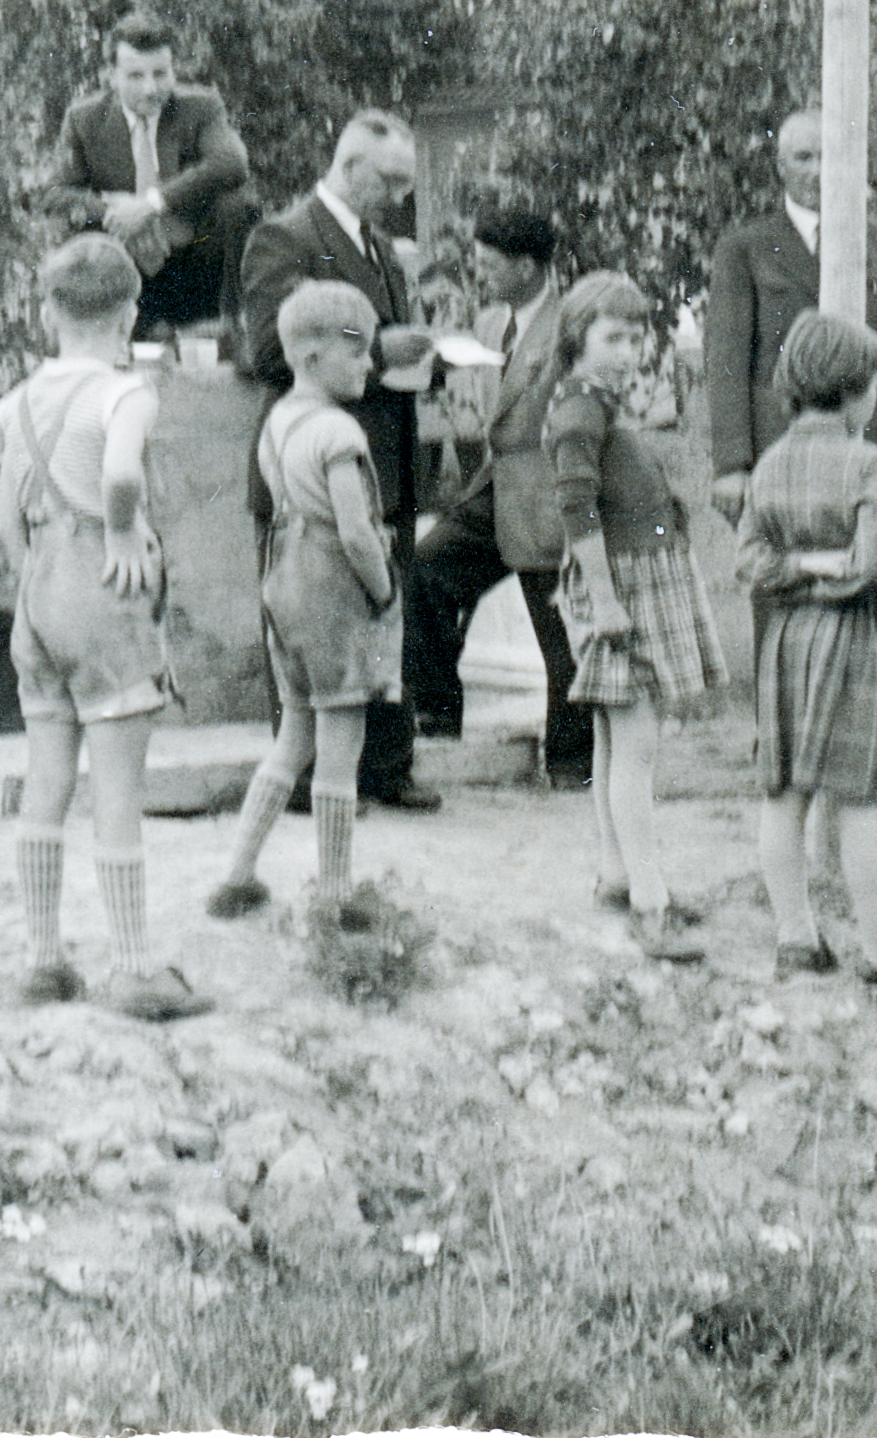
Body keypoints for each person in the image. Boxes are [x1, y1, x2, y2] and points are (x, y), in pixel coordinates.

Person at [0, 234, 209, 1018]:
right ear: (129, 315)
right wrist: (119, 534)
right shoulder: (126, 393)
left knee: (46, 779)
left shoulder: (16, 402)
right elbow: (120, 473)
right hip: (101, 592)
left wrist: (37, 583)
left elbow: (6, 518)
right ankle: (132, 969)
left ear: (48, 312)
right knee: (117, 788)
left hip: (38, 594)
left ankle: (42, 961)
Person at [238, 110, 439, 809]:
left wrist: (426, 357)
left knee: (386, 619)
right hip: (314, 475)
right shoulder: (286, 237)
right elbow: (271, 350)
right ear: (349, 168)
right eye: (390, 182)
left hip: (386, 464)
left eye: (407, 184)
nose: (400, 197)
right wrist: (381, 350)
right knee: (313, 624)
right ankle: (306, 781)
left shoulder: (381, 247)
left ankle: (385, 768)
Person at [735, 312, 877, 982]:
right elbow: (869, 564)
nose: (874, 400)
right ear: (849, 392)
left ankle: (796, 938)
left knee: (783, 794)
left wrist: (796, 570)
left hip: (789, 642)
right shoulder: (868, 463)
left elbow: (750, 561)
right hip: (857, 642)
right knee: (860, 799)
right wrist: (829, 571)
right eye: (872, 388)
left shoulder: (769, 464)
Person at [546, 272, 727, 963]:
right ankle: (651, 904)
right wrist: (606, 601)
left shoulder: (596, 404)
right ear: (576, 338)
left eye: (635, 338)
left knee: (612, 737)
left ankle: (617, 873)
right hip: (623, 587)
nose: (627, 351)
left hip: (638, 578)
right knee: (637, 746)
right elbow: (576, 510)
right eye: (612, 338)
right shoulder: (579, 413)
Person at [208, 281, 403, 920]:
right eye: (358, 351)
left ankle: (238, 873)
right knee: (340, 749)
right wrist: (383, 591)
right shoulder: (337, 429)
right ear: (314, 356)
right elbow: (355, 532)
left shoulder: (278, 422)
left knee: (292, 739)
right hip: (333, 591)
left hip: (284, 584)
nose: (369, 364)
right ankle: (335, 893)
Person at [403, 209, 592, 787]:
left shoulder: (574, 323)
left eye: (489, 265)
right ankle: (436, 716)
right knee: (427, 567)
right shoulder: (489, 324)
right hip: (496, 486)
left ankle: (573, 765)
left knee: (559, 631)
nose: (480, 275)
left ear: (527, 266)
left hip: (550, 490)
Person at [704, 109, 877, 525]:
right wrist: (731, 464)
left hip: (867, 445)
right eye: (804, 157)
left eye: (829, 157)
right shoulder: (745, 248)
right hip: (780, 449)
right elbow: (726, 365)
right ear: (781, 167)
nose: (817, 171)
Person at [47, 13, 256, 339]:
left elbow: (232, 163)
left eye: (161, 73)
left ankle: (230, 330)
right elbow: (55, 194)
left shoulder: (201, 108)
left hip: (192, 262)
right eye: (135, 76)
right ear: (111, 76)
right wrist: (117, 211)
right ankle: (96, 338)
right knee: (79, 228)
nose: (150, 89)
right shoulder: (84, 119)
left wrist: (151, 205)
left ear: (173, 70)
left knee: (236, 205)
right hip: (127, 262)